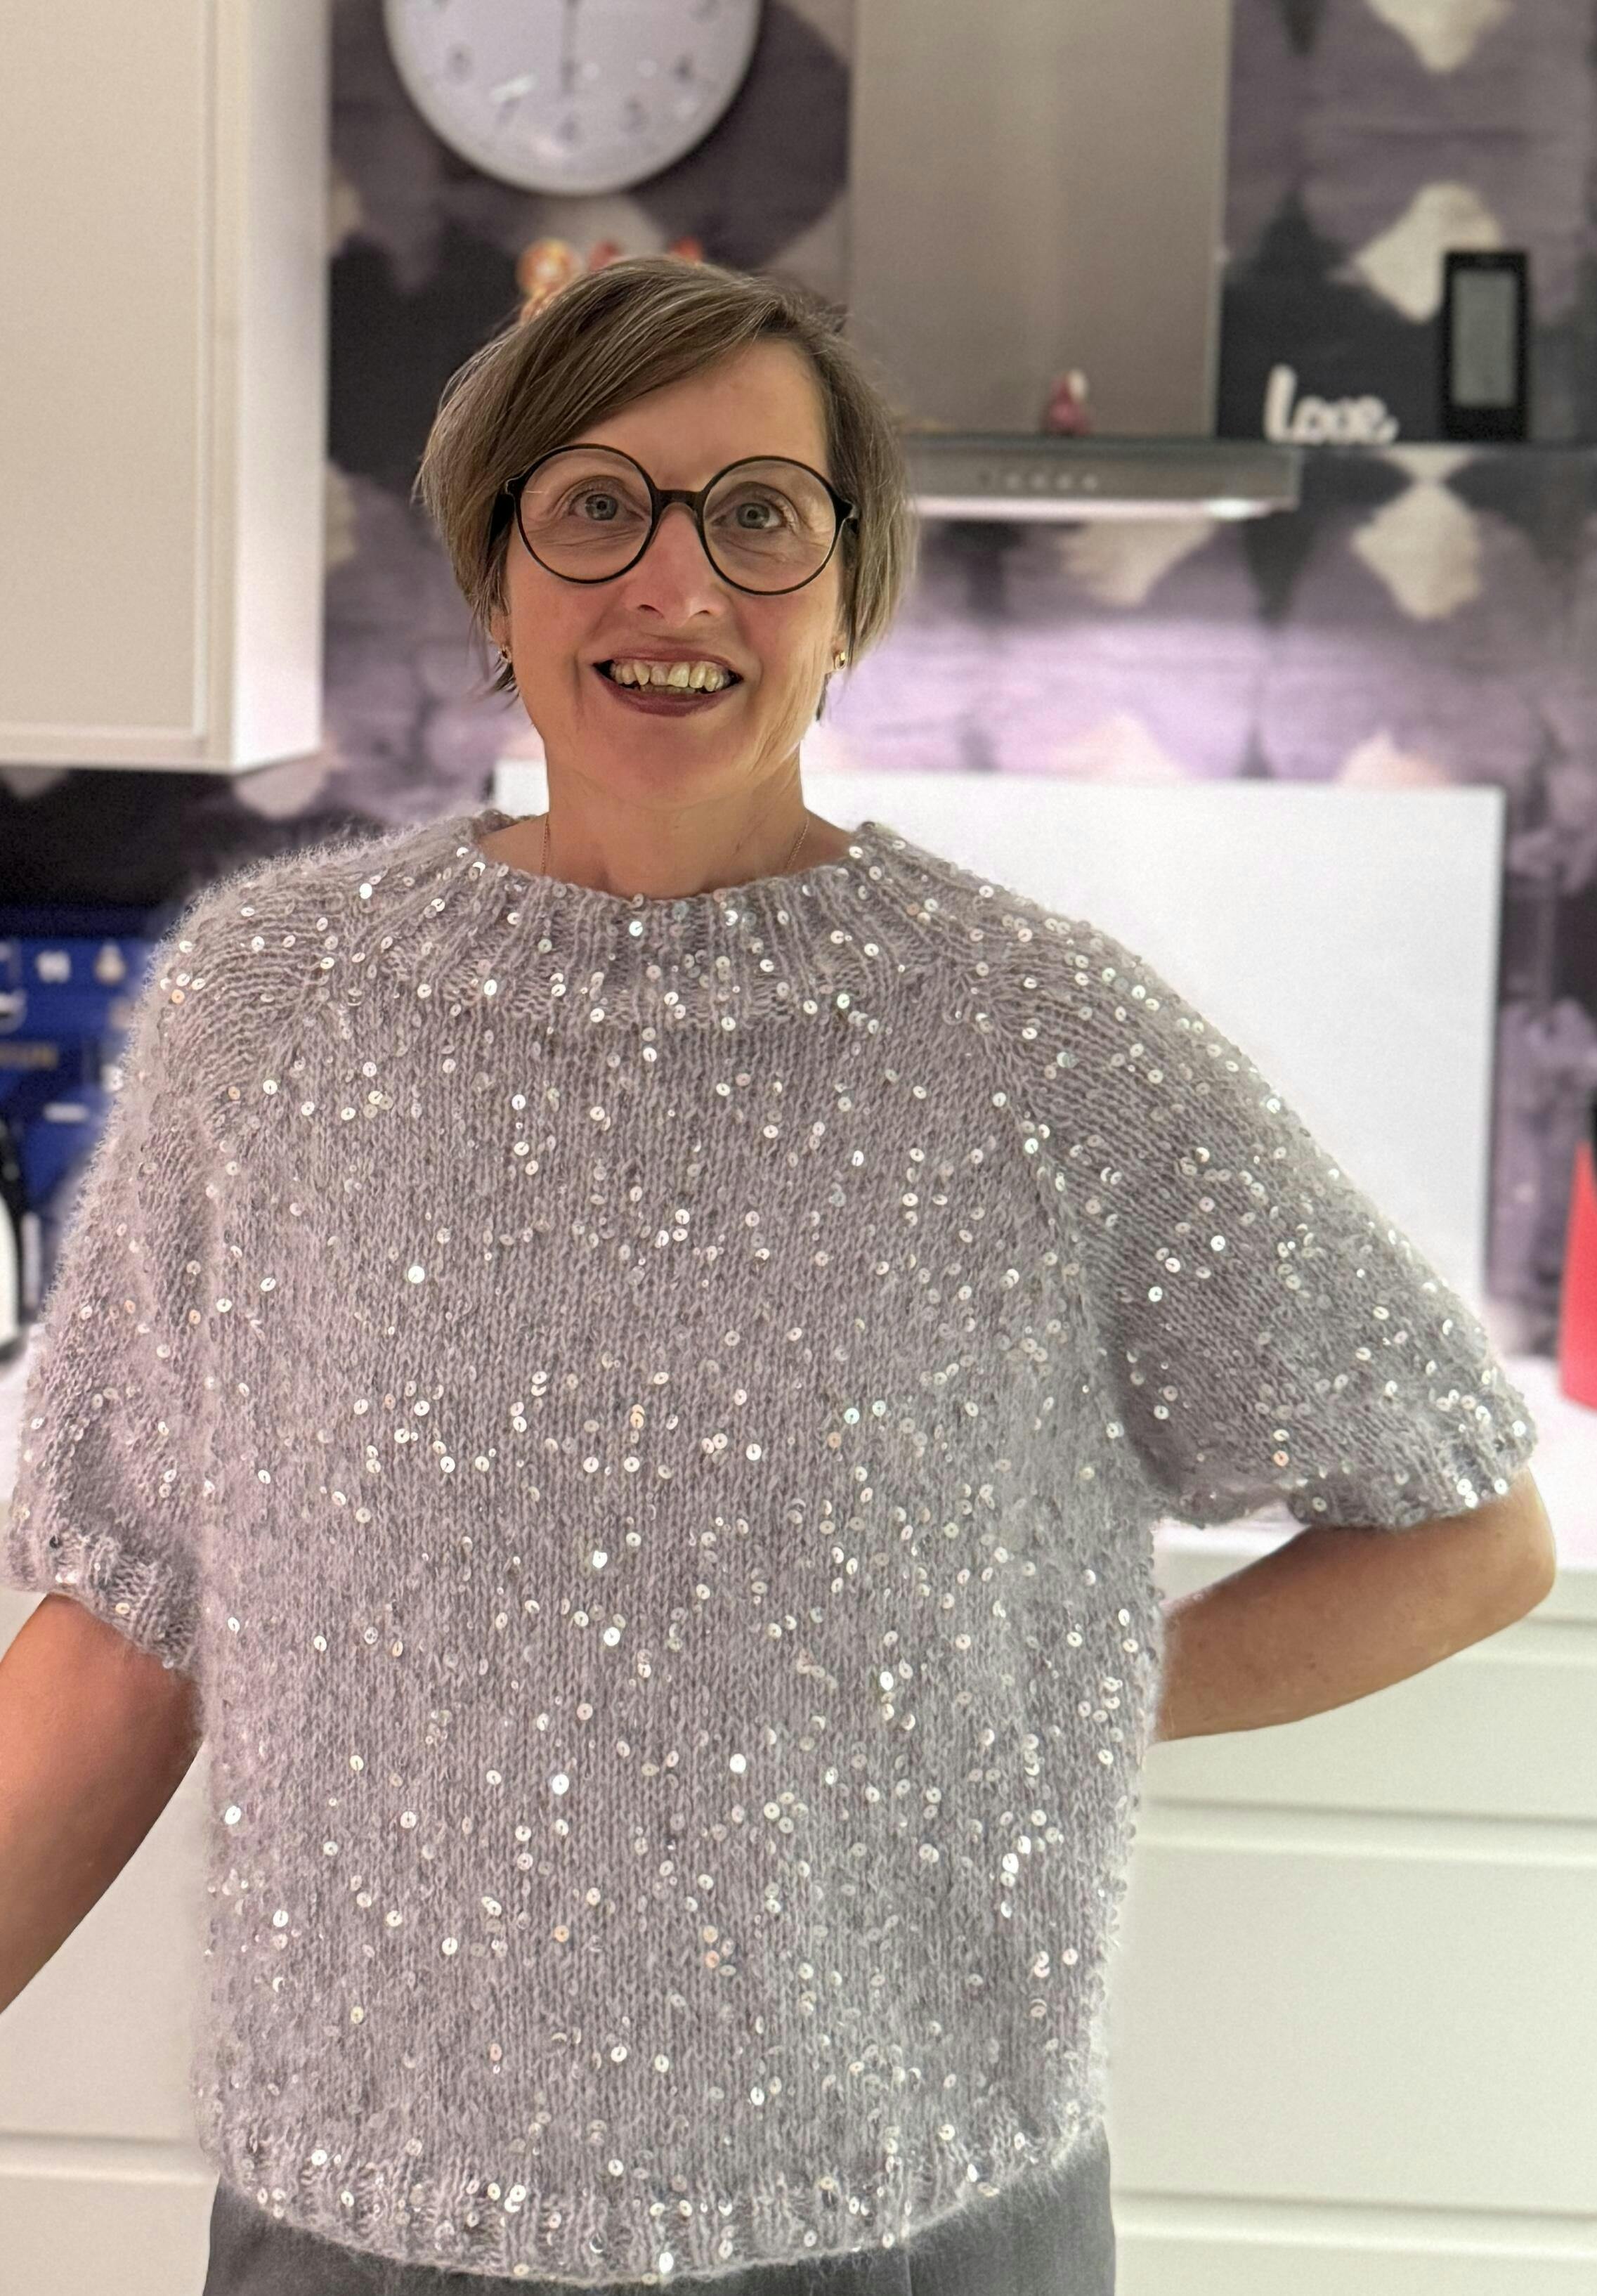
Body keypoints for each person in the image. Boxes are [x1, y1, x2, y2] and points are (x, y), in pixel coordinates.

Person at [0, 257, 1544, 2295]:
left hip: (902, 2221)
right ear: (493, 578)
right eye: (594, 505)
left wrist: (1042, 1695)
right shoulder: (274, 1017)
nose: (677, 583)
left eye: (758, 514)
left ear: (846, 595)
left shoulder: (1042, 1048)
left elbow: (1466, 1535)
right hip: (359, 2229)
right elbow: (128, 1622)